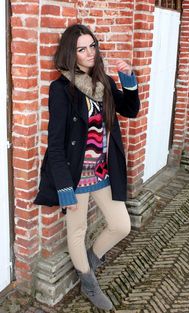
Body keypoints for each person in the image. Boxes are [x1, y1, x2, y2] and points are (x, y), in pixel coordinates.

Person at [34, 24, 140, 311]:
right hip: (75, 176)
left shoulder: (103, 80)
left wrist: (128, 80)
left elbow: (129, 110)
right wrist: (64, 187)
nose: (90, 52)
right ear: (72, 53)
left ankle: (88, 263)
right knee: (76, 230)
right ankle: (89, 284)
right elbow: (55, 144)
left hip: (103, 172)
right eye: (82, 49)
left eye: (92, 45)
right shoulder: (61, 89)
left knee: (121, 225)